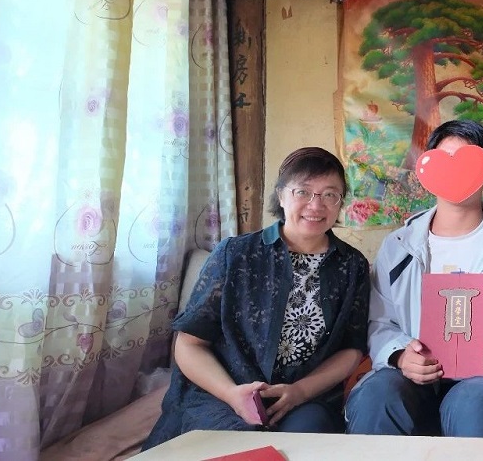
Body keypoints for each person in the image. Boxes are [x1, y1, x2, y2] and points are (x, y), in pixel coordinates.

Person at [143, 147, 371, 449]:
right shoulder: (235, 254)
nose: (316, 205)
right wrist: (231, 394)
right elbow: (189, 344)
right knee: (239, 445)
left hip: (304, 397)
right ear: (281, 195)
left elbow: (351, 349)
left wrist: (300, 392)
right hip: (223, 393)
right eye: (303, 191)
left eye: (330, 194)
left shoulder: (352, 265)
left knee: (308, 441)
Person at [345, 119, 483, 438]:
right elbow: (380, 320)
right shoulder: (399, 245)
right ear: (427, 171)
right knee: (378, 394)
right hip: (411, 376)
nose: (455, 172)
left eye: (467, 163)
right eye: (444, 162)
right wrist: (399, 355)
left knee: (474, 403)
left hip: (482, 380)